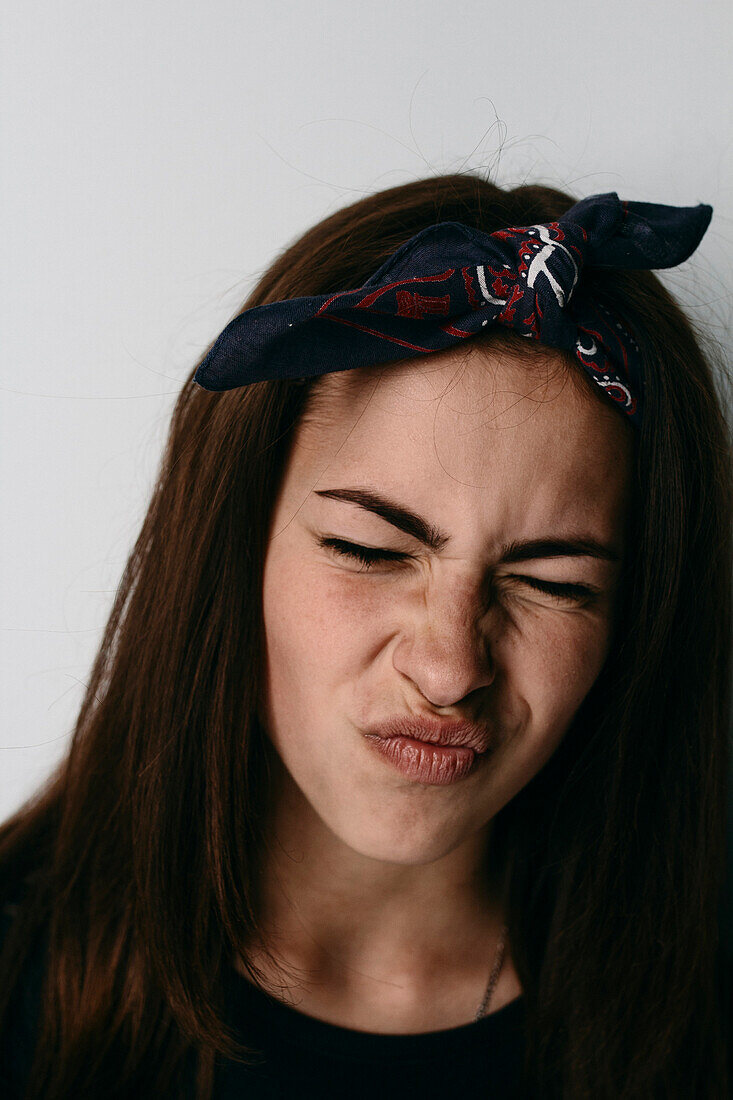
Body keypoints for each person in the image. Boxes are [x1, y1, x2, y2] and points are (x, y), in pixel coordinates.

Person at [0, 172, 730, 1100]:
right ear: (231, 549)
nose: (447, 667)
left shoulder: (699, 1009)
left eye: (551, 583)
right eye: (368, 548)